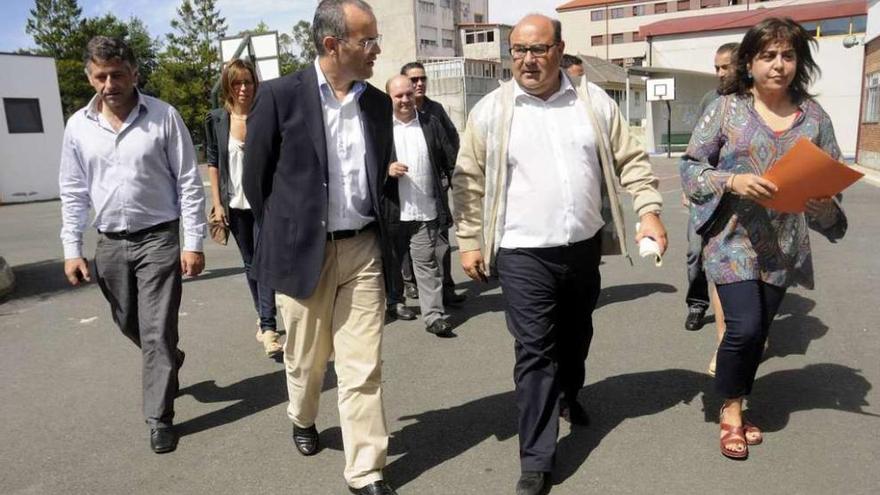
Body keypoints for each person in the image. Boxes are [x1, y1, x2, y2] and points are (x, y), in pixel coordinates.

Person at [452, 15, 667, 495]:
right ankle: (537, 457)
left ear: (559, 49)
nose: (528, 60)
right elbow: (467, 181)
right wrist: (468, 240)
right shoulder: (490, 111)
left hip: (582, 247)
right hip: (521, 251)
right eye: (518, 51)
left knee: (576, 335)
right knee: (534, 352)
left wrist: (649, 211)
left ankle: (570, 393)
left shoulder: (593, 103)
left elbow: (630, 161)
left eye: (538, 49)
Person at [242, 1, 397, 493]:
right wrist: (287, 235)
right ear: (334, 45)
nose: (376, 49)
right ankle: (302, 416)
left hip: (363, 250)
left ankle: (365, 469)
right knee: (307, 362)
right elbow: (255, 181)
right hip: (303, 252)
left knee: (362, 366)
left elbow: (379, 176)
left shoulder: (375, 104)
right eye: (367, 40)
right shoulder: (278, 96)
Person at [681, 17, 847, 460]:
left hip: (783, 244)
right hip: (731, 238)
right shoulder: (726, 109)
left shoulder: (815, 118)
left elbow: (831, 188)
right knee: (744, 327)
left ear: (800, 61)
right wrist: (733, 182)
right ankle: (731, 411)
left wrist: (823, 205)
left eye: (788, 55)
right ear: (750, 62)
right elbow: (691, 167)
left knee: (759, 333)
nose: (779, 65)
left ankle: (739, 394)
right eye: (768, 56)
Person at [59, 36, 206, 454]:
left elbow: (188, 183)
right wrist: (73, 248)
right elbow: (72, 191)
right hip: (109, 244)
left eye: (117, 74)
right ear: (90, 76)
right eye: (100, 76)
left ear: (134, 73)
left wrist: (191, 243)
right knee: (130, 323)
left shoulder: (163, 117)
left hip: (159, 239)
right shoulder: (77, 126)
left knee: (157, 331)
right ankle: (168, 360)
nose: (109, 84)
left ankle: (159, 417)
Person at [204, 59, 281, 358]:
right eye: (237, 82)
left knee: (265, 262)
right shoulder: (217, 119)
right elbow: (213, 163)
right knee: (250, 264)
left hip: (264, 203)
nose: (243, 88)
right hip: (234, 206)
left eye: (248, 81)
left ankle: (269, 326)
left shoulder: (265, 115)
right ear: (228, 86)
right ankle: (263, 317)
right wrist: (217, 203)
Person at [385, 75, 456, 338]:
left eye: (408, 94)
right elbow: (365, 167)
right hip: (393, 210)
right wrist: (387, 169)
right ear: (389, 98)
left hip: (425, 208)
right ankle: (395, 302)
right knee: (391, 262)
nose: (405, 100)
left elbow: (450, 158)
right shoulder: (380, 128)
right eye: (398, 96)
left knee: (426, 263)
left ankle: (434, 316)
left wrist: (453, 185)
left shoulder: (430, 123)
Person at [685, 43, 737, 377]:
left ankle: (729, 339)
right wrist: (692, 186)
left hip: (747, 204)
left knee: (729, 269)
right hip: (708, 196)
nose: (720, 73)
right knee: (695, 254)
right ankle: (696, 304)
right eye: (716, 67)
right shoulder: (711, 102)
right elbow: (696, 151)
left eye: (726, 67)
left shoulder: (759, 103)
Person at [399, 61, 466, 307]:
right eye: (413, 80)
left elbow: (452, 142)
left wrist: (450, 175)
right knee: (407, 241)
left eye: (422, 79)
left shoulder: (435, 110)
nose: (419, 84)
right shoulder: (392, 113)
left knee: (440, 238)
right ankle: (410, 284)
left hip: (435, 189)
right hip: (404, 191)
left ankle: (446, 288)